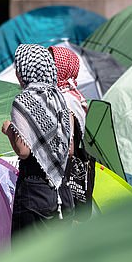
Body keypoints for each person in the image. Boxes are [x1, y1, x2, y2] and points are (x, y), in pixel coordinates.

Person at [1, 44, 73, 239]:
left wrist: (9, 131)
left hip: (34, 191)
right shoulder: (59, 98)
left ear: (25, 69)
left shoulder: (24, 101)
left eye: (18, 66)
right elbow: (71, 149)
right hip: (62, 190)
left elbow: (23, 151)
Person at [49, 45, 94, 221]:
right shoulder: (74, 95)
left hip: (63, 170)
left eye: (53, 64)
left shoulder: (66, 99)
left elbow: (69, 146)